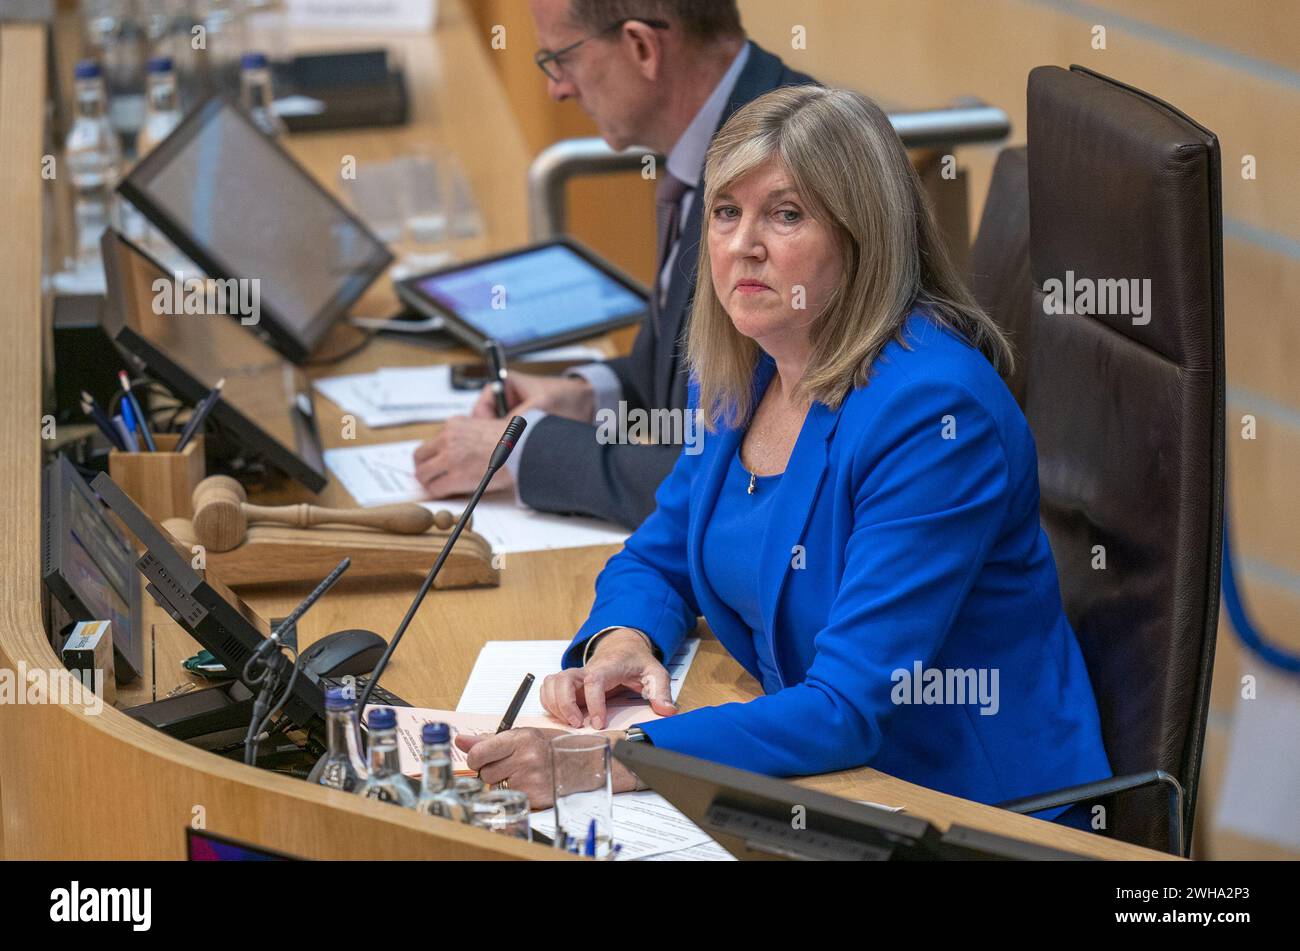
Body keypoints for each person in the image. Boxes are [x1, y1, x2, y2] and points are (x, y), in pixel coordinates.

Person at [457, 85, 1113, 829]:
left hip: (965, 813)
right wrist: (624, 639)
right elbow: (659, 555)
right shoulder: (751, 362)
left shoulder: (931, 414)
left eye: (787, 213)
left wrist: (598, 761)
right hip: (824, 782)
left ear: (863, 235)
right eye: (726, 211)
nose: (744, 245)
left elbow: (844, 707)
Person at [413, 0, 815, 529]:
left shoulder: (785, 170)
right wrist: (588, 396)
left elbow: (737, 479)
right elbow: (699, 380)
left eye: (562, 60)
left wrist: (528, 451)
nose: (557, 88)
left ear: (641, 47)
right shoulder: (709, 142)